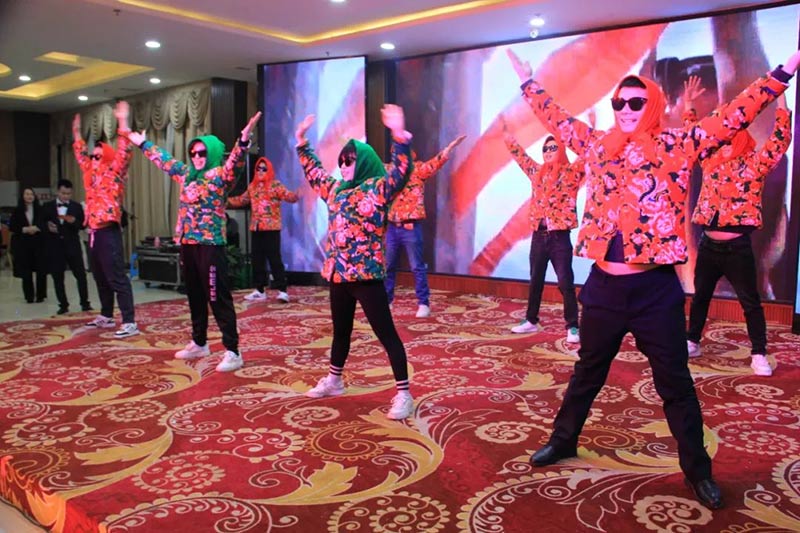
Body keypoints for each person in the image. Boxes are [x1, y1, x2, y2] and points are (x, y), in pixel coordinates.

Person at [507, 46, 800, 511]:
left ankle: (698, 471)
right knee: (587, 372)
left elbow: (735, 115)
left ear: (653, 104)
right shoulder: (596, 144)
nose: (625, 109)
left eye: (635, 102)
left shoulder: (678, 145)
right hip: (604, 287)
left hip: (654, 290)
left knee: (675, 382)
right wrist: (528, 82)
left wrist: (783, 73)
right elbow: (556, 119)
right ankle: (562, 440)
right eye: (618, 103)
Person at [295, 104, 415, 420]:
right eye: (342, 161)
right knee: (340, 332)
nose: (344, 166)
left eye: (350, 160)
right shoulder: (336, 190)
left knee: (386, 334)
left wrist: (399, 136)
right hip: (338, 275)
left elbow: (401, 174)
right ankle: (334, 381)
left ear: (363, 162)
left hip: (366, 276)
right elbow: (315, 174)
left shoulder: (377, 188)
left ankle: (404, 393)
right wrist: (302, 143)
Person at [128, 111, 261, 373]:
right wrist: (143, 144)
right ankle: (199, 342)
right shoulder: (187, 174)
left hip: (211, 246)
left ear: (211, 154)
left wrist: (244, 140)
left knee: (217, 297)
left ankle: (233, 351)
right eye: (193, 153)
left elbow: (235, 163)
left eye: (202, 153)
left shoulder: (220, 176)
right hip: (188, 244)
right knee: (195, 296)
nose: (197, 157)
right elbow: (166, 162)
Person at [686, 93, 791, 376]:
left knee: (750, 302)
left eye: (731, 133)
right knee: (700, 297)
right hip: (708, 245)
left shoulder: (754, 163)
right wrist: (689, 109)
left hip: (737, 248)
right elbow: (692, 140)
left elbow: (780, 140)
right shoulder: (709, 159)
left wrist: (782, 102)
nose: (725, 137)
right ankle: (692, 341)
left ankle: (759, 353)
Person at [502, 123, 583, 343]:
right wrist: (507, 136)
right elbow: (521, 157)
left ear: (562, 150)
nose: (548, 152)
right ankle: (531, 320)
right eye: (545, 149)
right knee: (535, 279)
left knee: (565, 282)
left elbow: (588, 154)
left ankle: (573, 326)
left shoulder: (571, 173)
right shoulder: (537, 172)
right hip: (539, 236)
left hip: (559, 238)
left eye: (553, 148)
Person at [73, 101, 138, 338]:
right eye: (94, 156)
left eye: (99, 156)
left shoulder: (114, 172)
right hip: (93, 232)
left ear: (107, 158)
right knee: (99, 275)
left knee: (116, 277)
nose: (94, 159)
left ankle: (129, 321)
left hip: (108, 231)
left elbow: (125, 150)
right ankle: (107, 315)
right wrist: (77, 134)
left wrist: (122, 120)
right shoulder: (90, 177)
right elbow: (81, 157)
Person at [384, 135, 465, 318]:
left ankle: (423, 303)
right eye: (396, 154)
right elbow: (371, 165)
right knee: (388, 266)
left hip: (411, 228)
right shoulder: (388, 172)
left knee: (417, 267)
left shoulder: (418, 170)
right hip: (392, 227)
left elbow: (435, 163)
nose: (399, 157)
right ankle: (386, 301)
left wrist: (448, 149)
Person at [229, 156, 298, 303]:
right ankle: (259, 290)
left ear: (269, 170)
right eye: (258, 168)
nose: (260, 171)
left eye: (264, 169)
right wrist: (224, 201)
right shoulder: (252, 187)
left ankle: (282, 290)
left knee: (274, 259)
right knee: (257, 260)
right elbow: (242, 200)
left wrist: (297, 194)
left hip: (271, 228)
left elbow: (288, 196)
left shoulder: (275, 185)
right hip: (256, 228)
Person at [40, 179, 91, 315]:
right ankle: (63, 304)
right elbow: (40, 223)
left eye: (68, 194)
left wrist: (74, 221)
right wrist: (47, 227)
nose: (65, 196)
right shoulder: (47, 206)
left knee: (80, 275)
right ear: (58, 192)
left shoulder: (76, 207)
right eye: (63, 193)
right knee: (58, 277)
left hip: (72, 245)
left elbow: (82, 225)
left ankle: (85, 303)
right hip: (55, 246)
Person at [9, 188, 47, 303]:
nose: (29, 196)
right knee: (26, 271)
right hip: (23, 244)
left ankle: (41, 295)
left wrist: (37, 228)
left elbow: (45, 223)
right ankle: (29, 296)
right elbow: (12, 226)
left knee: (41, 270)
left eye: (31, 194)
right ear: (23, 196)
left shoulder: (40, 209)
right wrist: (24, 229)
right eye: (27, 194)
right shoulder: (17, 211)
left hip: (38, 243)